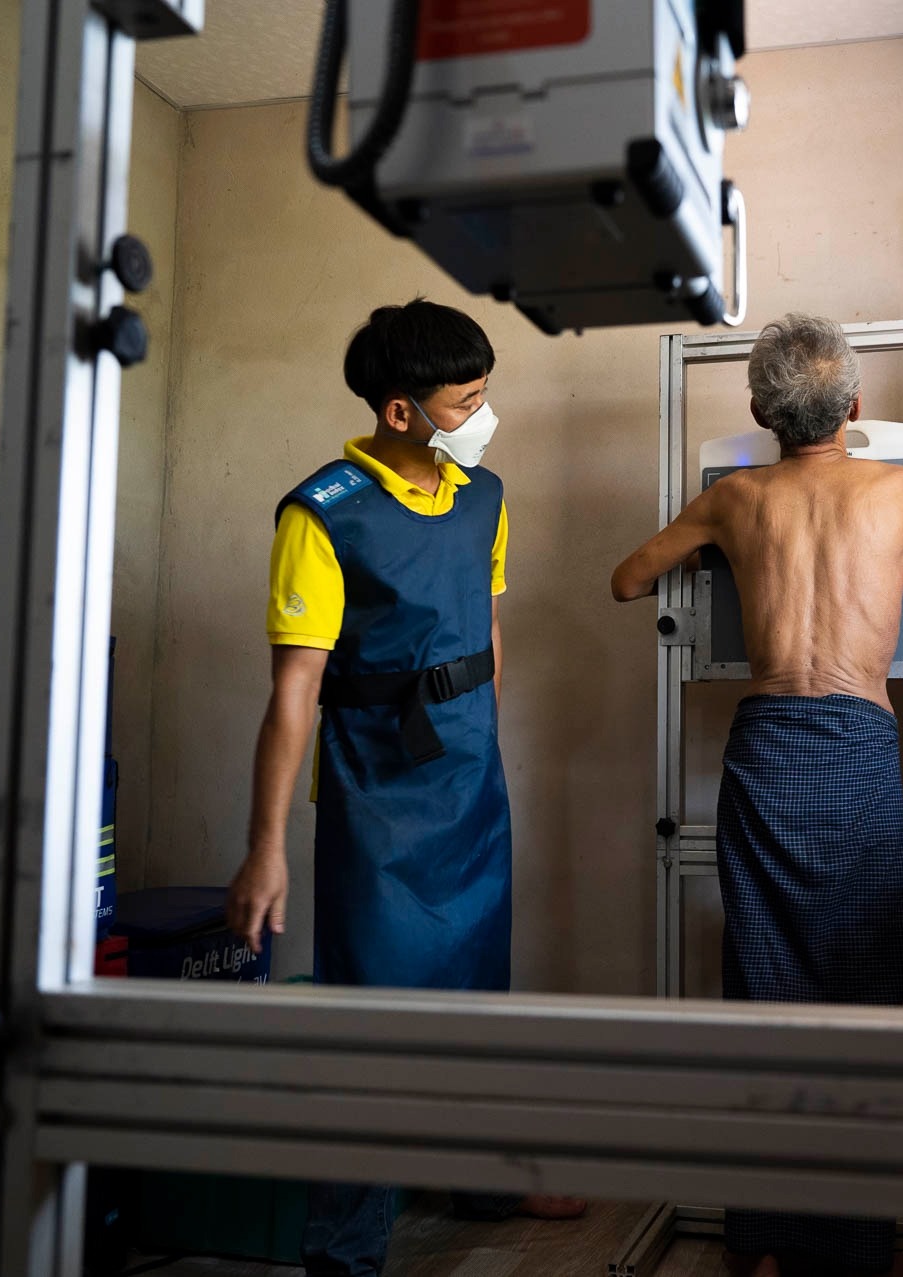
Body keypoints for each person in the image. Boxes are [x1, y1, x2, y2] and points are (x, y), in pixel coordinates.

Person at [609, 313, 903, 1277]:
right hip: (857, 744)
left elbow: (625, 579)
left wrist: (712, 549)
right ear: (854, 408)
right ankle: (853, 1250)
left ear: (762, 413)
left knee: (766, 999)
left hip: (763, 749)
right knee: (859, 1005)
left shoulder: (734, 500)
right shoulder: (901, 491)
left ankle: (763, 1248)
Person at [226, 299, 583, 1277]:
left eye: (483, 392)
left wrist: (482, 752)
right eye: (465, 399)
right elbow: (295, 691)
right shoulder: (324, 511)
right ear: (399, 411)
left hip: (472, 787)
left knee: (478, 990)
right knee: (371, 1017)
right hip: (378, 800)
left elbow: (487, 633)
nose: (482, 411)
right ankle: (346, 1245)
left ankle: (482, 1178)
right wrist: (263, 848)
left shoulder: (485, 494)